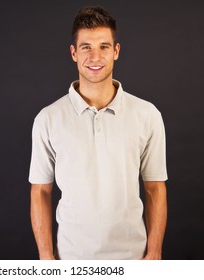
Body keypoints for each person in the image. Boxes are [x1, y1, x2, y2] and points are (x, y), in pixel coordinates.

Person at [29, 6, 168, 260]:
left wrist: (155, 252)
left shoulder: (147, 115)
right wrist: (46, 259)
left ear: (116, 51)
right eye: (86, 47)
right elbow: (40, 191)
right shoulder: (48, 119)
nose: (95, 56)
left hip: (133, 259)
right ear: (73, 53)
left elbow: (155, 187)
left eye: (104, 47)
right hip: (71, 260)